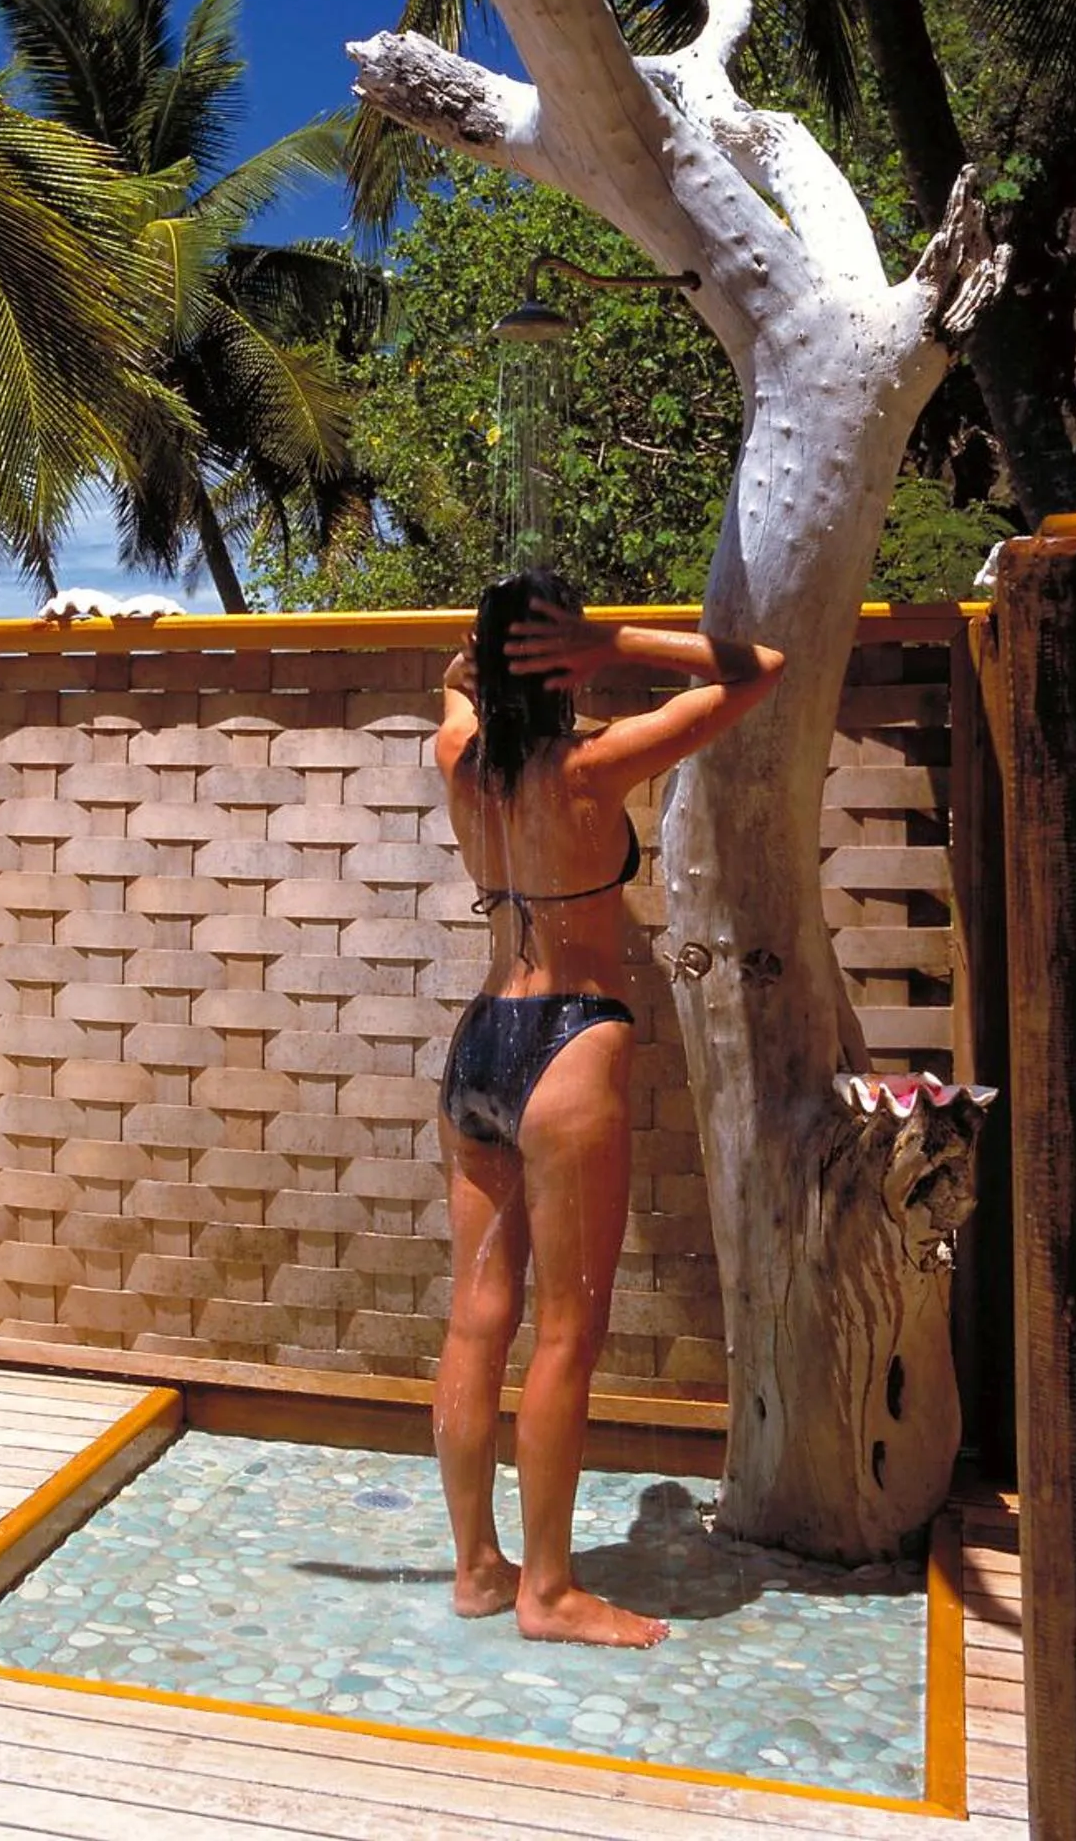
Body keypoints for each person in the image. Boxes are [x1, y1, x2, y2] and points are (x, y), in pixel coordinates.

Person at [432, 567, 784, 1646]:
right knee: (566, 1332)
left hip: (480, 1039)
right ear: (561, 657)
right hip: (571, 1043)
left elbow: (451, 678)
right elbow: (755, 668)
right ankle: (547, 1590)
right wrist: (611, 638)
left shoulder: (456, 754)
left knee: (474, 1316)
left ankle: (477, 1569)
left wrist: (503, 662)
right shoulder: (596, 760)